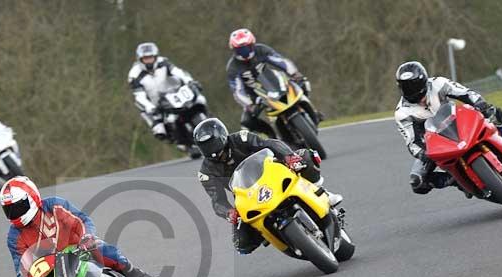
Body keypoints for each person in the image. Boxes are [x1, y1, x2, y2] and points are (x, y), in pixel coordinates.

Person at [1, 177, 163, 277]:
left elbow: (81, 220)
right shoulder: (14, 236)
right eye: (9, 210)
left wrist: (86, 236)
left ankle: (135, 275)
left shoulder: (54, 205)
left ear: (32, 197)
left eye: (18, 207)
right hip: (52, 269)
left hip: (79, 249)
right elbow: (21, 268)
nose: (14, 213)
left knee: (102, 249)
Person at [193, 118, 342, 254]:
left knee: (305, 157)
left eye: (211, 142)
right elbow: (217, 201)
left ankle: (323, 193)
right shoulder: (205, 172)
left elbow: (270, 143)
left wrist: (288, 157)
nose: (209, 148)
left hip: (273, 172)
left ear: (221, 135)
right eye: (204, 145)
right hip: (247, 194)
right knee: (242, 244)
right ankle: (273, 234)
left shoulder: (241, 138)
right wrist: (229, 212)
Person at [394, 60, 502, 195]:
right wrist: (423, 153)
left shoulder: (438, 83)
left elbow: (465, 93)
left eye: (418, 89)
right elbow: (412, 141)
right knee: (417, 181)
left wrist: (481, 104)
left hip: (459, 123)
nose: (417, 96)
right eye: (409, 90)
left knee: (494, 112)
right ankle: (456, 180)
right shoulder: (402, 113)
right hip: (436, 144)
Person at [226, 28, 323, 139]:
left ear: (252, 44)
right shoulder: (232, 67)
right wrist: (249, 104)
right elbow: (237, 91)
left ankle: (314, 113)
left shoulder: (261, 50)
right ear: (234, 50)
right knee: (247, 121)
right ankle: (272, 136)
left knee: (304, 83)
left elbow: (280, 61)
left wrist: (295, 74)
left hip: (273, 82)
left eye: (246, 48)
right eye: (240, 50)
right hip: (254, 96)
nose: (245, 52)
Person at [128, 42, 200, 149]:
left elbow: (178, 72)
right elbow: (139, 96)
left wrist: (190, 81)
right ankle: (181, 142)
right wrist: (150, 107)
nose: (149, 61)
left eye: (151, 57)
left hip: (174, 95)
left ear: (155, 56)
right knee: (160, 131)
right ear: (140, 59)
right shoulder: (134, 75)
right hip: (155, 104)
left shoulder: (164, 63)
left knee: (199, 100)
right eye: (146, 58)